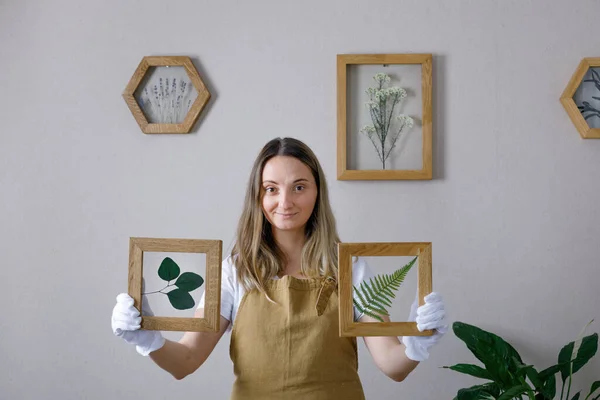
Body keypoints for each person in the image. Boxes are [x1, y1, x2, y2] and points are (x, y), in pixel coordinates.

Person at [111, 137, 448, 400]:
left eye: (299, 187)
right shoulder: (234, 272)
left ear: (317, 192)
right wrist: (148, 338)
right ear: (257, 197)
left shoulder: (350, 268)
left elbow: (392, 365)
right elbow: (185, 361)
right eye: (271, 189)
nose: (284, 202)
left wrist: (418, 340)